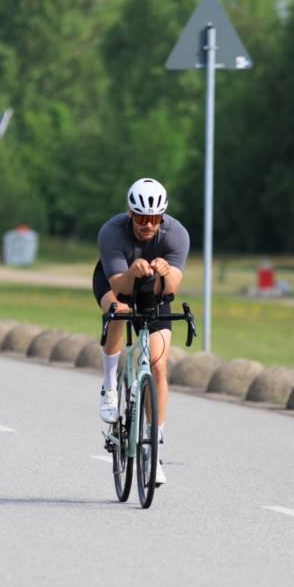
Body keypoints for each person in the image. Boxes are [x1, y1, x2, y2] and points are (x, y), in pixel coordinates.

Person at [93, 177, 190, 485]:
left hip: (156, 292)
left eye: (153, 219)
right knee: (118, 311)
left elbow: (172, 288)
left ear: (162, 217)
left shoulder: (176, 234)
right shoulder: (112, 231)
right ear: (130, 213)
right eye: (141, 218)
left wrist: (163, 273)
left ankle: (153, 450)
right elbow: (117, 286)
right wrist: (133, 272)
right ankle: (110, 385)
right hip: (117, 283)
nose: (147, 225)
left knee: (159, 366)